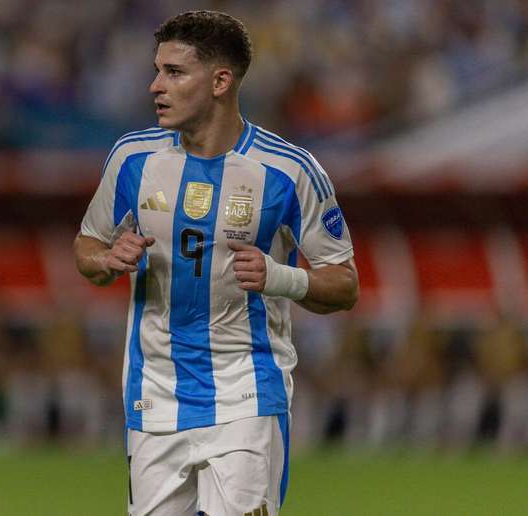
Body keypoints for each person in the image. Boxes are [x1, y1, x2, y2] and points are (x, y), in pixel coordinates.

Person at [74, 10, 359, 516]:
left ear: (221, 81)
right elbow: (87, 246)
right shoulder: (131, 159)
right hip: (154, 394)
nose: (154, 86)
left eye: (174, 72)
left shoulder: (288, 171)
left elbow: (345, 283)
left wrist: (281, 277)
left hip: (246, 393)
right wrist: (106, 259)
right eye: (157, 70)